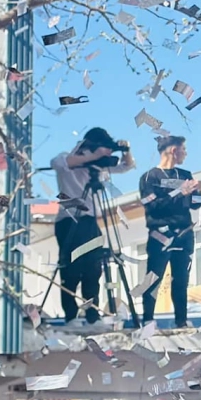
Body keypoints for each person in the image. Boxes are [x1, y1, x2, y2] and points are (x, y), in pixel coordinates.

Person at [49, 127, 136, 325]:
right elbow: (59, 163)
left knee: (93, 268)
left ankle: (92, 315)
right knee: (70, 269)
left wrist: (125, 150)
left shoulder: (98, 167)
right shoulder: (68, 158)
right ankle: (71, 316)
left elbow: (126, 166)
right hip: (69, 221)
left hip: (90, 221)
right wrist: (91, 156)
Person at [139, 134, 197, 326]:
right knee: (153, 277)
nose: (186, 154)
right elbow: (153, 206)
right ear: (174, 150)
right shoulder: (149, 177)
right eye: (184, 149)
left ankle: (182, 321)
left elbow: (192, 203)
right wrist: (180, 192)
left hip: (184, 234)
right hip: (160, 235)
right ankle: (147, 321)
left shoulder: (185, 175)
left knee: (181, 279)